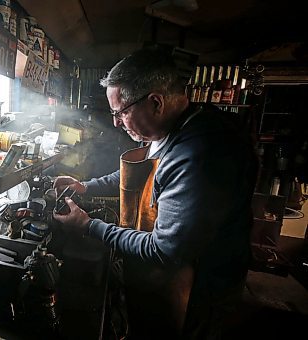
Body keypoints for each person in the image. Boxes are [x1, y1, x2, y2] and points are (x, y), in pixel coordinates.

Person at [53, 45, 258, 339]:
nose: (116, 122)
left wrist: (88, 226)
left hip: (199, 287)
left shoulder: (200, 154)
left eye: (120, 112)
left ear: (155, 103)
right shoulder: (173, 127)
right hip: (168, 274)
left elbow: (164, 250)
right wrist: (86, 186)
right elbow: (142, 175)